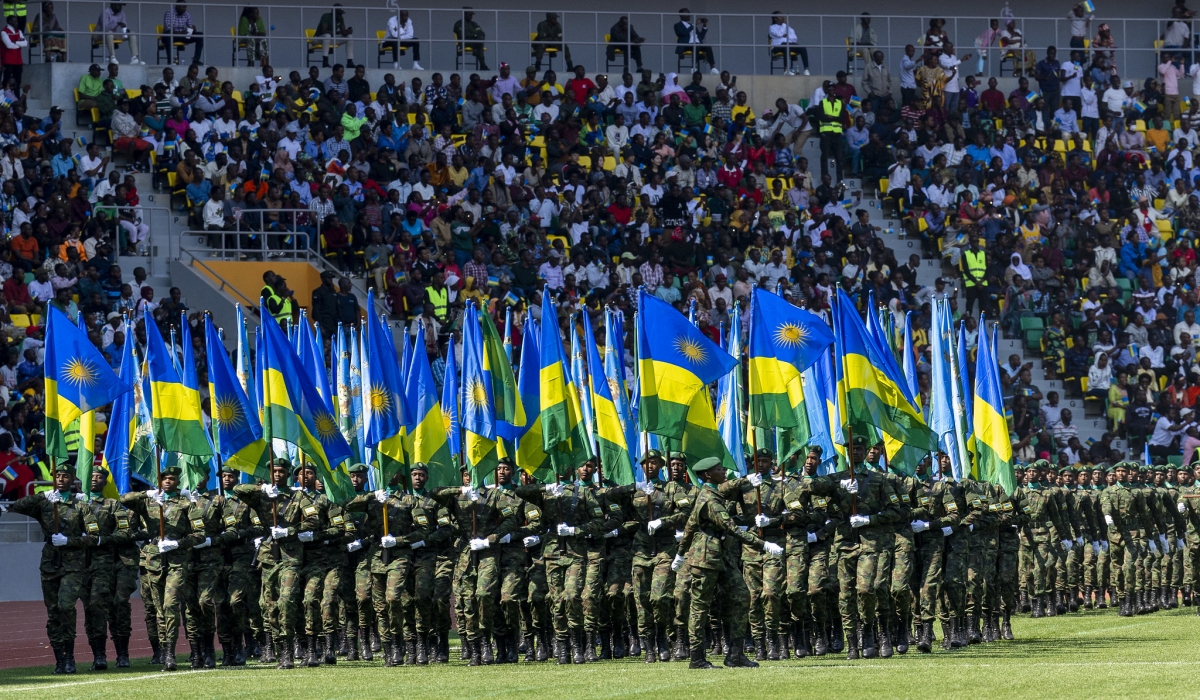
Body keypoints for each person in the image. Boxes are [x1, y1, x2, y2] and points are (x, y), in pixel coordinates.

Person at [674, 456, 776, 668]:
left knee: (742, 596)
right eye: (719, 469)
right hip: (705, 559)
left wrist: (681, 553)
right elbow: (731, 528)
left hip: (722, 556)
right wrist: (763, 544)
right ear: (708, 475)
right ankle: (697, 658)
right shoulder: (710, 500)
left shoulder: (714, 493)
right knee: (700, 606)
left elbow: (690, 525)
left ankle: (735, 654)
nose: (724, 472)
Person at [814, 85, 846, 181]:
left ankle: (839, 180)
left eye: (833, 89)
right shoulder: (822, 102)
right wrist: (835, 118)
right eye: (830, 89)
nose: (831, 90)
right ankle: (825, 178)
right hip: (826, 133)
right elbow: (821, 117)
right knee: (824, 157)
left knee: (839, 158)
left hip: (837, 134)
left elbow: (842, 118)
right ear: (827, 91)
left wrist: (831, 117)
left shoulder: (840, 103)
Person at [674, 8, 716, 75]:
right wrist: (694, 25)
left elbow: (701, 38)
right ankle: (693, 68)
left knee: (708, 47)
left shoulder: (692, 25)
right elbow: (684, 32)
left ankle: (712, 68)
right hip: (686, 45)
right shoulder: (677, 25)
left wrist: (704, 26)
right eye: (687, 14)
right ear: (681, 15)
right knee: (696, 46)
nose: (689, 15)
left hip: (697, 44)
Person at [315, 4, 354, 69]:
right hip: (318, 38)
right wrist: (338, 32)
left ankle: (350, 62)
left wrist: (347, 31)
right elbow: (324, 30)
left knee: (349, 37)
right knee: (327, 36)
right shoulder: (326, 16)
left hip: (330, 39)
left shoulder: (340, 19)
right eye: (339, 14)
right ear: (334, 12)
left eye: (341, 14)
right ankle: (325, 62)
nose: (341, 15)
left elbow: (343, 32)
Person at [769, 11, 808, 76]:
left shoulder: (788, 27)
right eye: (780, 16)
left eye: (782, 16)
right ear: (775, 19)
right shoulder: (772, 27)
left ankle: (806, 69)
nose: (782, 17)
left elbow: (794, 38)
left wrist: (786, 36)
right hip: (777, 46)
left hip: (788, 44)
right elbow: (779, 34)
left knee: (802, 48)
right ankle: (786, 70)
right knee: (786, 46)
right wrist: (784, 25)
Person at [0, 14, 26, 86]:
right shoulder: (4, 32)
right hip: (8, 60)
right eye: (15, 21)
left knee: (18, 81)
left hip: (18, 60)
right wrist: (20, 44)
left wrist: (15, 42)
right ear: (9, 22)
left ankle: (16, 94)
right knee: (6, 80)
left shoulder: (19, 31)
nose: (17, 23)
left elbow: (25, 43)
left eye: (16, 21)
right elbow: (9, 45)